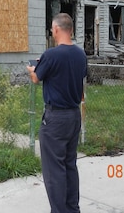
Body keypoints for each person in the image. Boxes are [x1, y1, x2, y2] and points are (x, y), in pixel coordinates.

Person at [27, 13, 87, 213]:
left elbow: (37, 78)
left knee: (54, 170)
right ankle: (72, 209)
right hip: (73, 115)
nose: (52, 32)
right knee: (70, 164)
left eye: (52, 29)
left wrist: (32, 69)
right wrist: (43, 63)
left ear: (57, 29)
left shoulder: (51, 55)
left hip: (55, 119)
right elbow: (71, 75)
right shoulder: (80, 54)